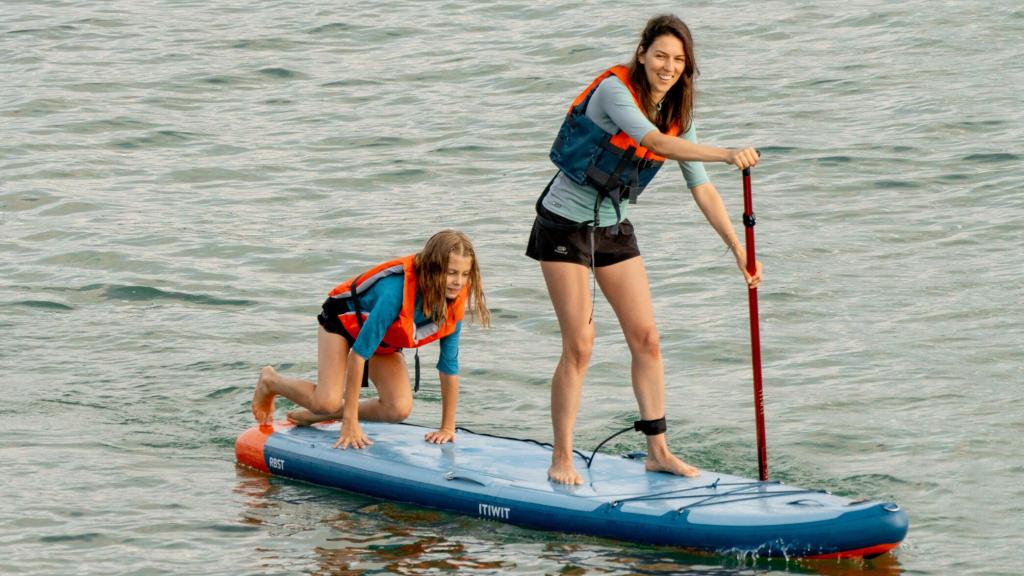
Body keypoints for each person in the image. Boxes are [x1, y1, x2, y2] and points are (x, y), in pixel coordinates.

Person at [526, 14, 763, 485]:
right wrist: (726, 151)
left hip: (612, 227)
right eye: (660, 55)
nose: (668, 66)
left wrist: (737, 248)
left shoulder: (679, 114)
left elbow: (701, 187)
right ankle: (561, 456)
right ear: (642, 54)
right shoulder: (616, 92)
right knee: (580, 345)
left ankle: (657, 451)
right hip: (563, 226)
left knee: (647, 339)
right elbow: (654, 143)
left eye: (678, 60)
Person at [252, 229, 490, 449]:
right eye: (451, 273)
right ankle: (271, 381)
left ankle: (328, 415)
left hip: (381, 340)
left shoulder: (452, 303)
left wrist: (447, 427)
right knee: (326, 401)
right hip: (342, 323)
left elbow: (449, 367)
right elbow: (358, 356)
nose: (458, 281)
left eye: (465, 274)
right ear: (431, 268)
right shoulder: (395, 292)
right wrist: (350, 423)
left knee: (398, 409)